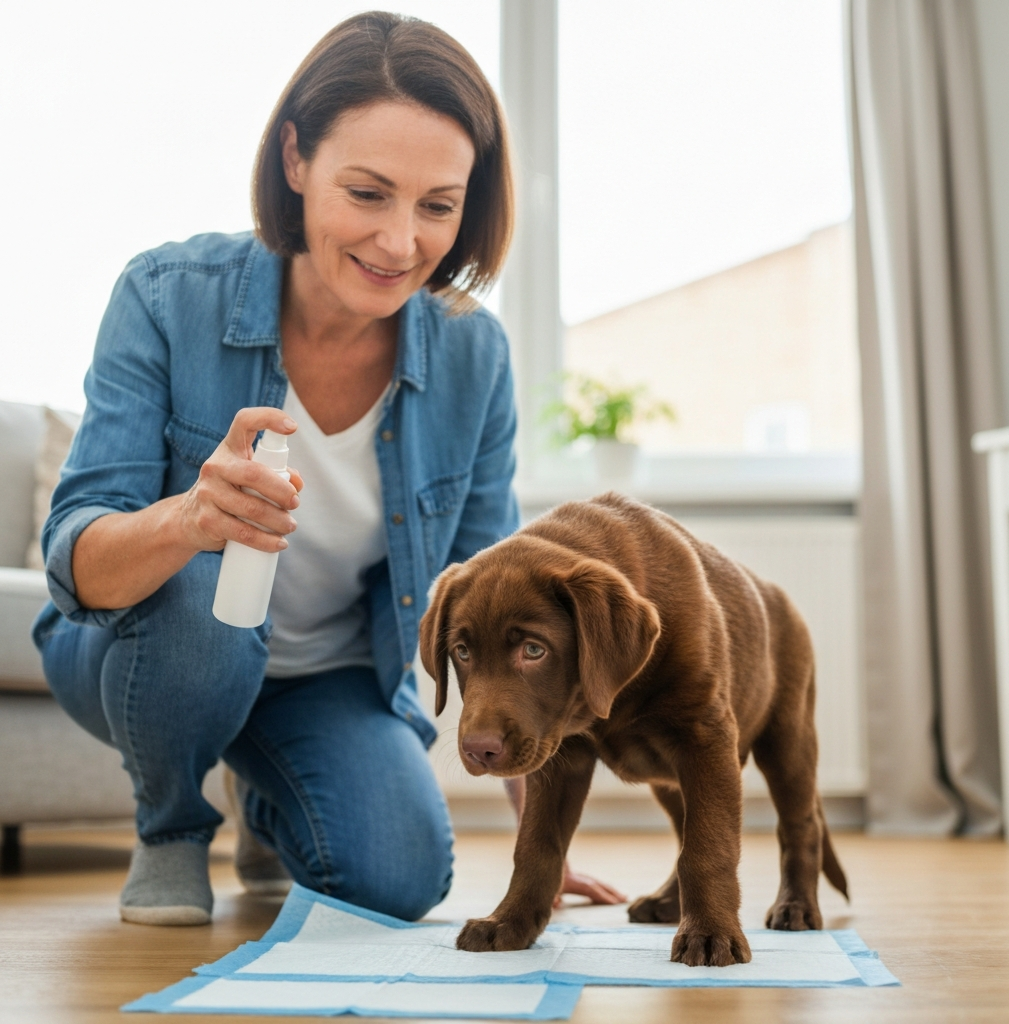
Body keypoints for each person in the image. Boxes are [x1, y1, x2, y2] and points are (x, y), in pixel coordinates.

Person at [32, 10, 621, 927]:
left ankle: (267, 798)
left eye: (438, 205)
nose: (400, 244)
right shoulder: (164, 296)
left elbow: (499, 605)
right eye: (369, 192)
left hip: (328, 677)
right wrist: (189, 520)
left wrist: (540, 844)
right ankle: (174, 826)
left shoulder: (474, 357)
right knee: (209, 593)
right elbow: (74, 562)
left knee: (398, 879)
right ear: (297, 159)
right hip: (144, 652)